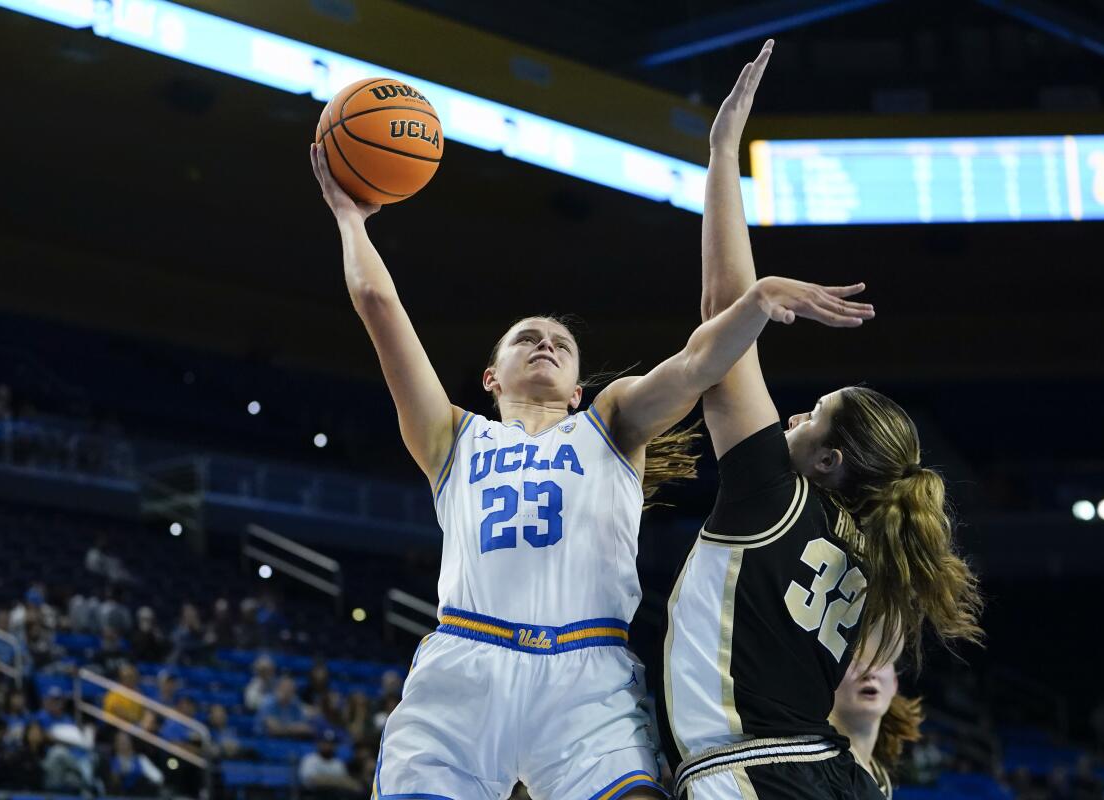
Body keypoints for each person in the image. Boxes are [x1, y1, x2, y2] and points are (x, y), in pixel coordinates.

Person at [310, 140, 845, 800]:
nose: (545, 344)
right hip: (467, 668)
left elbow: (698, 365)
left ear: (575, 392)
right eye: (527, 339)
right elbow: (377, 304)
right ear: (490, 376)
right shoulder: (450, 435)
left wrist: (754, 303)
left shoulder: (611, 421)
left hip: (588, 676)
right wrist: (350, 220)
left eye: (561, 344)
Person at [658, 41, 982, 800]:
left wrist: (722, 152)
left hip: (758, 778)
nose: (793, 413)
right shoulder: (878, 556)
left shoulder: (774, 495)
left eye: (813, 415)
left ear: (830, 461)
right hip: (831, 773)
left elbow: (721, 321)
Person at [828, 636, 924, 798]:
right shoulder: (807, 765)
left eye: (881, 660)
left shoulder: (880, 778)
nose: (869, 672)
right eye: (853, 660)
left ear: (894, 683)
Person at [298, 727, 361, 800]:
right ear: (318, 743)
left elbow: (347, 782)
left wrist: (331, 780)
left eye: (331, 743)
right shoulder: (309, 760)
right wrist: (337, 781)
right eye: (325, 742)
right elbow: (313, 780)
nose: (328, 746)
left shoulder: (338, 763)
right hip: (314, 796)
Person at [104, 731, 164, 797]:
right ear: (115, 744)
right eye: (119, 741)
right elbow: (111, 784)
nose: (122, 744)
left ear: (131, 743)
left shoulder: (141, 759)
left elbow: (158, 778)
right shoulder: (110, 762)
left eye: (125, 741)